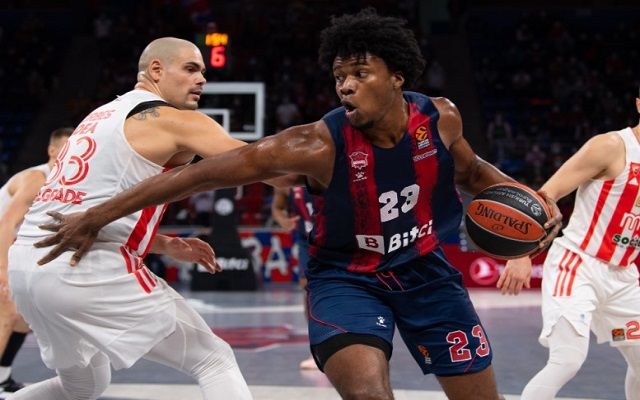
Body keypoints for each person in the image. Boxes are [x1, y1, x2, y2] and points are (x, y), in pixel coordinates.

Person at [34, 10, 562, 400]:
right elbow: (198, 176)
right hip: (347, 280)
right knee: (367, 394)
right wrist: (99, 214)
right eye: (339, 77)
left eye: (360, 73)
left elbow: (473, 173)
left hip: (426, 271)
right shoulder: (313, 145)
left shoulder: (440, 118)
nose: (345, 86)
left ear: (398, 76)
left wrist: (533, 203)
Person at [6, 37, 259, 400]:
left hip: (28, 267)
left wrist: (164, 244)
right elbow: (258, 162)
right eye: (191, 69)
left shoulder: (99, 116)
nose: (202, 79)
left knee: (84, 385)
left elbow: (88, 205)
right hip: (80, 267)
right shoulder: (174, 120)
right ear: (156, 70)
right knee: (213, 359)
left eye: (203, 71)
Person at [498, 93, 640, 399]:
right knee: (567, 360)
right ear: (639, 105)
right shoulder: (611, 146)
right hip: (578, 266)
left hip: (624, 278)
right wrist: (522, 253)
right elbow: (546, 195)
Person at [0, 127, 72, 396]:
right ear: (52, 151)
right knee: (7, 313)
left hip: (15, 250)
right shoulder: (37, 179)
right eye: (66, 148)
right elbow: (6, 224)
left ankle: (2, 377)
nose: (72, 154)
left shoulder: (65, 185)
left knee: (24, 317)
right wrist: (3, 271)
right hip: (2, 243)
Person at [270, 186, 318, 370]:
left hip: (333, 237)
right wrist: (283, 220)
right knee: (308, 290)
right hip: (306, 240)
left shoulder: (326, 173)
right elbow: (277, 207)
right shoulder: (287, 180)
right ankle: (317, 348)